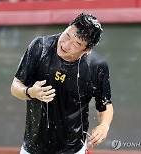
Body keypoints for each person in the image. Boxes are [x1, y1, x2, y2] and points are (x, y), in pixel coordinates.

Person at [11, 13, 114, 154]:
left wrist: (104, 126)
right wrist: (29, 92)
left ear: (87, 50)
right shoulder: (40, 46)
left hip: (74, 149)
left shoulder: (96, 67)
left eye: (76, 44)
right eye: (67, 35)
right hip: (33, 147)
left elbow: (105, 104)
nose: (66, 44)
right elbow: (15, 86)